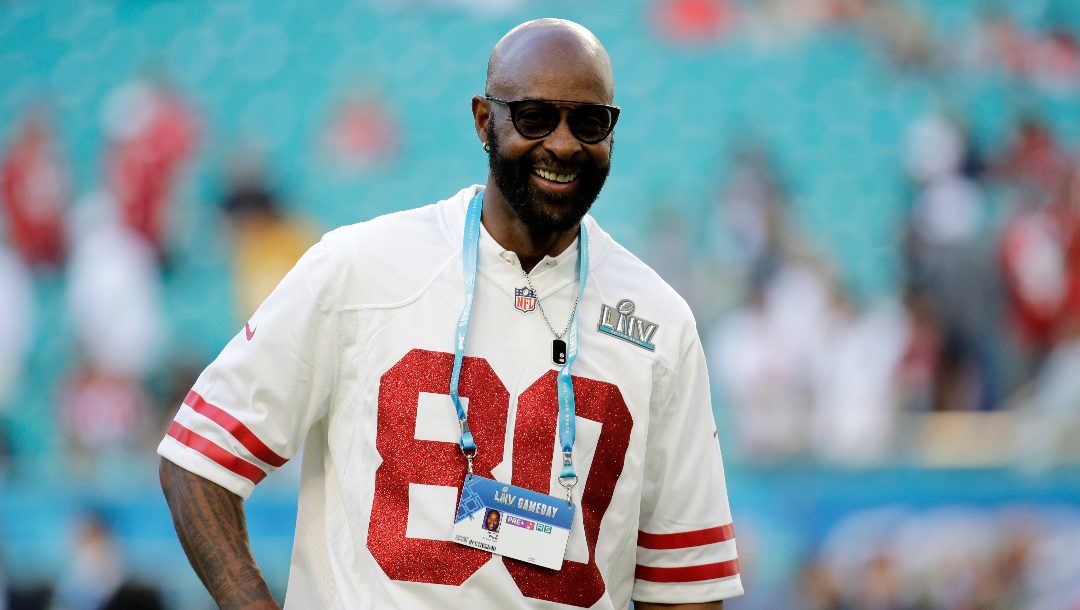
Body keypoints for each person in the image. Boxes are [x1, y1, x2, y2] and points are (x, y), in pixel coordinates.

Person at [159, 18, 743, 610]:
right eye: (535, 116)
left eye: (589, 122)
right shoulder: (359, 267)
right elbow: (197, 459)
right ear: (484, 121)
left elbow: (685, 583)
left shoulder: (659, 322)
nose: (564, 144)